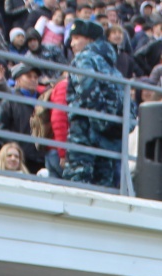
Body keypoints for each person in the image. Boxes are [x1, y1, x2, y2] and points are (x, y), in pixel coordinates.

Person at [60, 20, 126, 190]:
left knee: (76, 188)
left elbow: (87, 91)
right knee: (104, 191)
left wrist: (100, 122)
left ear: (90, 39)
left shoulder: (83, 59)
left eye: (76, 38)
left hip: (85, 133)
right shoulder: (113, 67)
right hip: (110, 139)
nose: (72, 44)